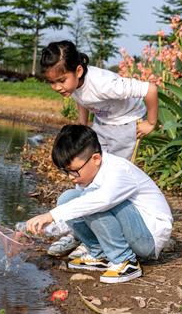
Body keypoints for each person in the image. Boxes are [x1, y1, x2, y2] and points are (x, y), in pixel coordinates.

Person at [40, 40, 160, 260]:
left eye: (61, 80)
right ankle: (83, 236)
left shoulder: (105, 83)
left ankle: (112, 241)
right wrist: (84, 127)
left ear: (78, 71)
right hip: (102, 124)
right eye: (52, 82)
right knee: (87, 177)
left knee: (110, 180)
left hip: (126, 124)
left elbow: (150, 89)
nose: (57, 87)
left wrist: (150, 123)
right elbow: (82, 99)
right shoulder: (73, 85)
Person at [26, 125, 173, 283]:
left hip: (148, 237)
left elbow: (99, 201)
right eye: (66, 171)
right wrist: (47, 228)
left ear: (96, 159)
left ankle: (125, 261)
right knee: (67, 198)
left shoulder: (118, 171)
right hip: (132, 229)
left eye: (74, 171)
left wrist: (51, 215)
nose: (70, 177)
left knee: (90, 200)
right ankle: (100, 254)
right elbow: (78, 210)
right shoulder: (88, 174)